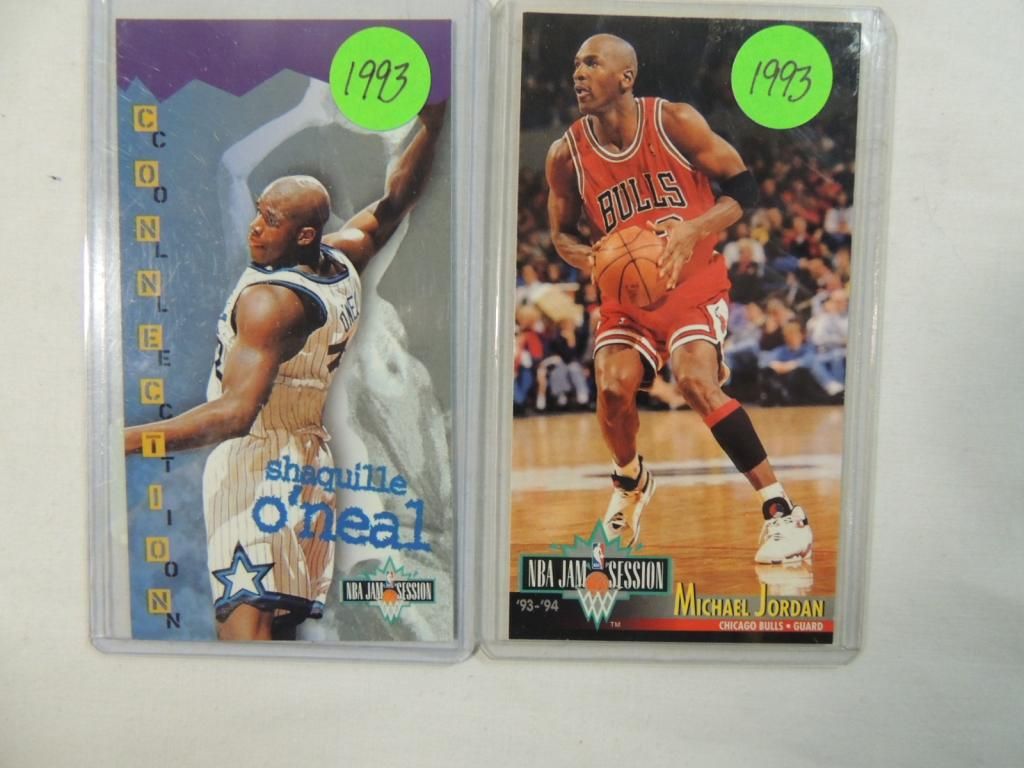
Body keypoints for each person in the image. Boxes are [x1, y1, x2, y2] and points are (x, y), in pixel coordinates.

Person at [125, 103, 446, 641]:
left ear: (303, 235)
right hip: (310, 461)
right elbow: (396, 200)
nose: (255, 227)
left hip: (256, 463)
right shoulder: (341, 259)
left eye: (271, 221)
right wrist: (432, 129)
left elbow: (234, 414)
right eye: (259, 212)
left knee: (245, 633)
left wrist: (127, 441)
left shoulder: (271, 302)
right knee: (277, 633)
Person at [545, 33, 811, 563]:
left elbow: (744, 188)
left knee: (693, 380)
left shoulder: (673, 122)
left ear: (626, 76)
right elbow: (562, 234)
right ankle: (630, 481)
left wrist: (694, 229)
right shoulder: (565, 154)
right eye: (575, 64)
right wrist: (592, 259)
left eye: (592, 63)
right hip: (627, 297)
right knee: (612, 389)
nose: (578, 73)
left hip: (693, 284)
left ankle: (782, 511)